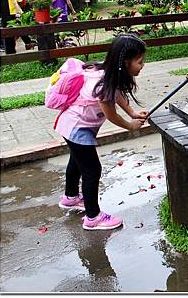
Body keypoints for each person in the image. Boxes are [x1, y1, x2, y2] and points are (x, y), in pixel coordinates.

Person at [56, 34, 148, 230]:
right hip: (77, 129)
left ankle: (70, 198)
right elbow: (112, 114)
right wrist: (130, 125)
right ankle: (93, 217)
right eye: (140, 62)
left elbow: (117, 94)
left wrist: (132, 112)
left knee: (77, 161)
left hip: (71, 125)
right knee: (92, 170)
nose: (142, 65)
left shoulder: (106, 73)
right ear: (125, 62)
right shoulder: (104, 84)